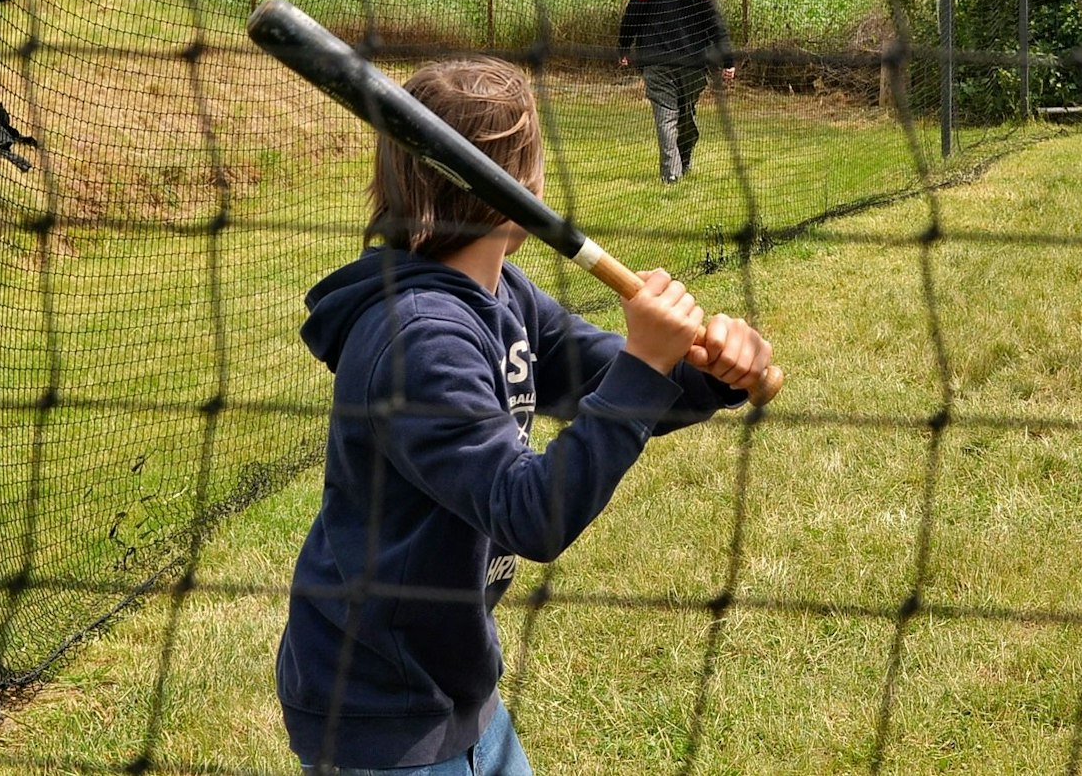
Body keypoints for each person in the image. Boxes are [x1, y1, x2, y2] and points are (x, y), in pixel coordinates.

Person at [274, 57, 772, 774]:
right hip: (380, 701)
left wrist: (707, 368)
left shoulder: (503, 291)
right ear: (522, 188)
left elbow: (604, 373)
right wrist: (645, 365)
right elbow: (529, 512)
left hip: (455, 679)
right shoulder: (419, 338)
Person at [616, 0, 735, 184]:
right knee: (686, 114)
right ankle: (683, 163)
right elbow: (717, 26)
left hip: (657, 63)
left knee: (666, 117)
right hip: (693, 65)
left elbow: (630, 20)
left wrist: (623, 50)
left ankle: (672, 173)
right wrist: (728, 61)